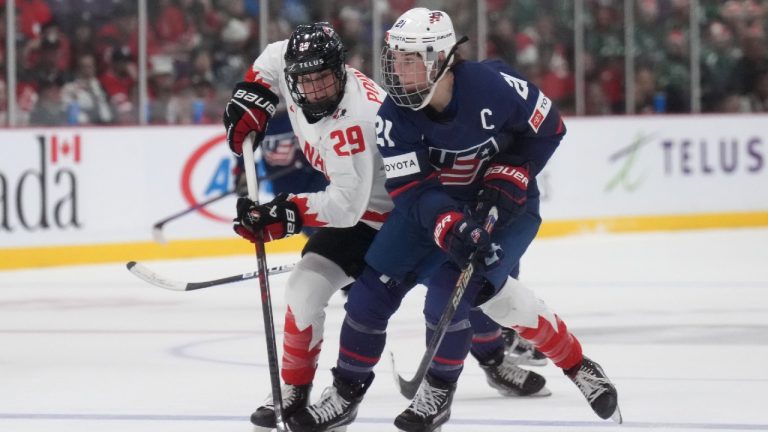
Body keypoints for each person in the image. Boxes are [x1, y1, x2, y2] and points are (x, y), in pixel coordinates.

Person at [287, 8, 621, 432]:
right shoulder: (393, 116)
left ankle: (441, 393)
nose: (398, 71)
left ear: (442, 58)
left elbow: (548, 127)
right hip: (429, 212)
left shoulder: (494, 86)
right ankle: (345, 394)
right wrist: (448, 223)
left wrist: (513, 170)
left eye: (410, 60)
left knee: (451, 296)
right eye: (395, 58)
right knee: (370, 296)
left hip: (504, 210)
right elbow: (412, 189)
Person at [224, 22, 550, 430]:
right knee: (304, 289)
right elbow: (272, 58)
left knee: (461, 297)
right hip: (363, 216)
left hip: (406, 216)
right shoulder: (295, 67)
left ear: (340, 69)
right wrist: (251, 92)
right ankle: (294, 390)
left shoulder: (357, 122)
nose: (315, 89)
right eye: (304, 80)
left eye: (323, 78)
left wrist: (284, 212)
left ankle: (495, 359)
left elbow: (344, 206)